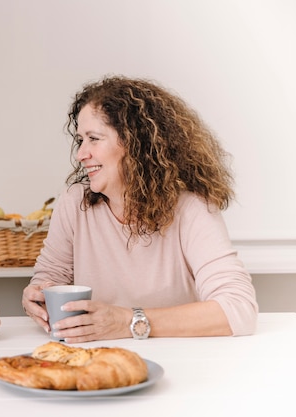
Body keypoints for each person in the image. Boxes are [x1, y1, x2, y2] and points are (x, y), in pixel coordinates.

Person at [22, 75, 258, 343]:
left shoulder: (191, 209)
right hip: (94, 362)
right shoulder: (74, 204)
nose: (81, 154)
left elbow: (239, 309)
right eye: (80, 141)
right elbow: (50, 278)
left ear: (136, 144)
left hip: (181, 362)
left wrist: (128, 321)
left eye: (94, 139)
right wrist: (37, 295)